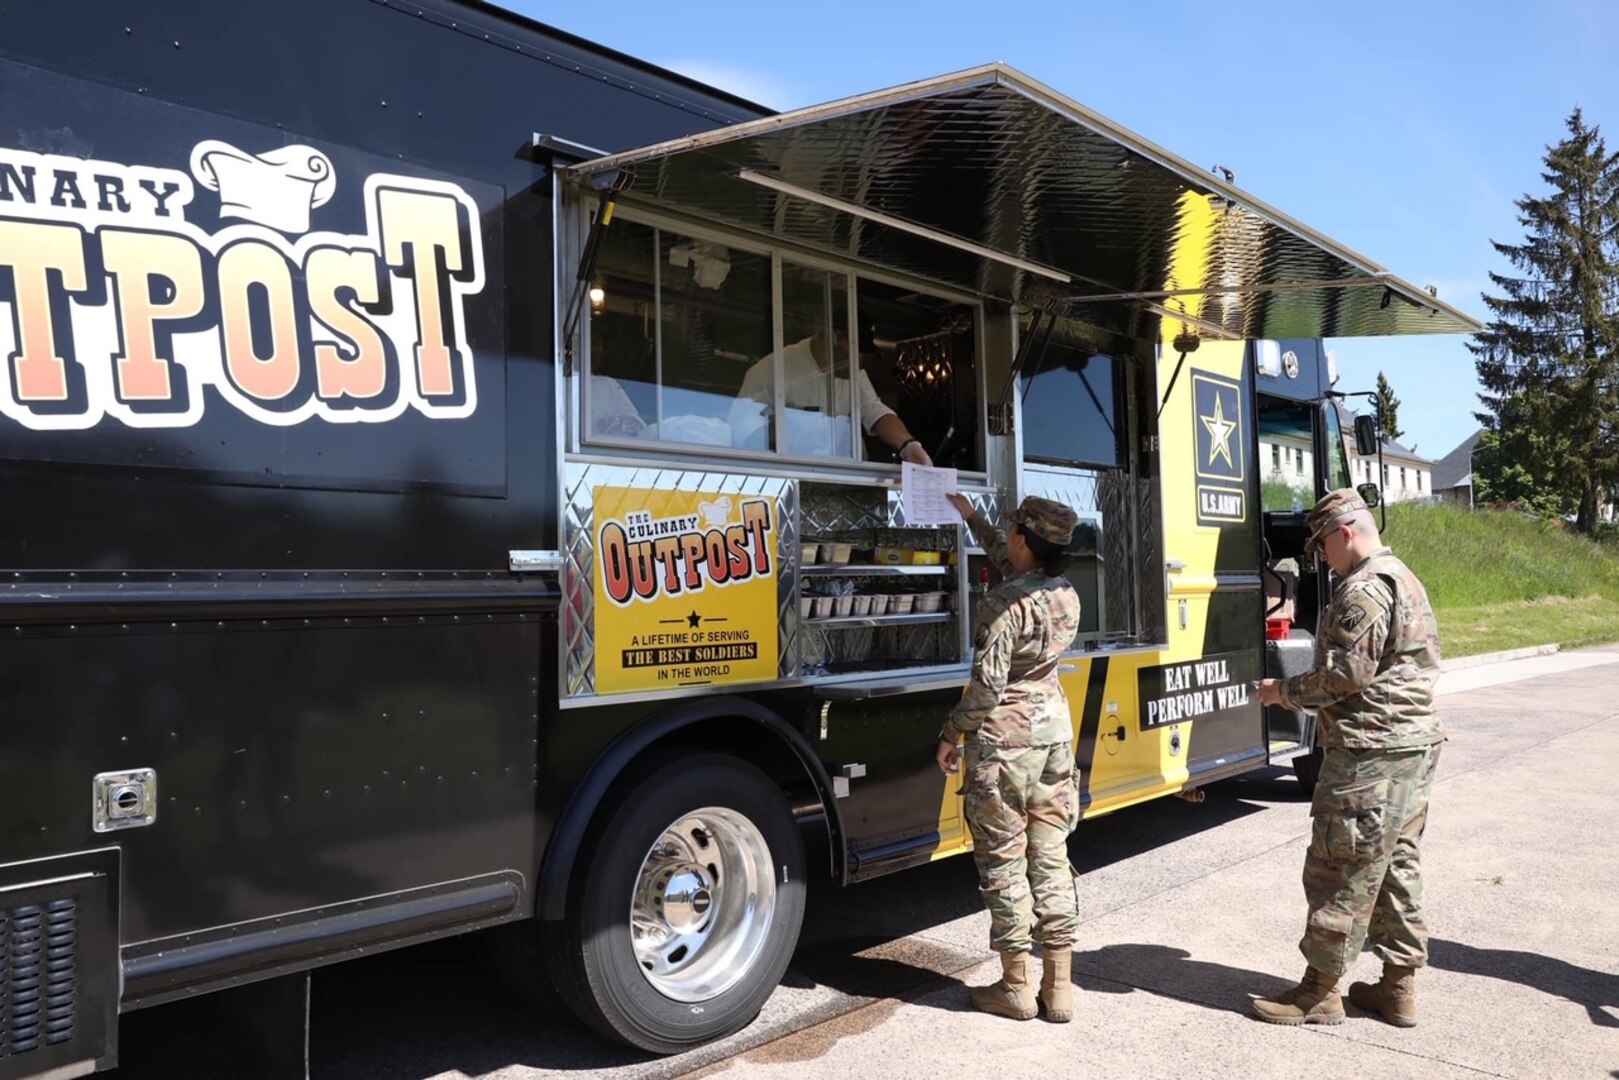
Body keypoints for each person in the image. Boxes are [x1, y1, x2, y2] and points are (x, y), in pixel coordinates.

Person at [1253, 488, 1445, 1028]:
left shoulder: (1364, 589)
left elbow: (1344, 675)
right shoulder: (1403, 576)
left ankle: (1318, 992)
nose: (1319, 558)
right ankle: (1398, 988)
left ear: (1344, 532)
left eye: (1320, 546)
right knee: (1395, 865)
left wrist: (1283, 692)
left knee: (1340, 869)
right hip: (1410, 746)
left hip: (1369, 753)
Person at [936, 492, 1082, 1023]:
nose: (1008, 538)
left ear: (1024, 537)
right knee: (1050, 855)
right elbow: (1007, 556)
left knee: (1002, 860)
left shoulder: (1003, 604)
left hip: (1004, 745)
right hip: (1053, 740)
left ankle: (1016, 986)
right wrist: (969, 514)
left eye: (1012, 531)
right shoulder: (1065, 592)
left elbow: (986, 689)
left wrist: (951, 733)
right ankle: (1059, 987)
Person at [727, 331, 932, 464]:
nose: (859, 361)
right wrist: (788, 433)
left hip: (848, 478)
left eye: (863, 356)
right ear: (833, 339)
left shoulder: (852, 368)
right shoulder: (772, 368)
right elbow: (740, 424)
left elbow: (873, 409)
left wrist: (909, 446)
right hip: (791, 477)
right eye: (855, 353)